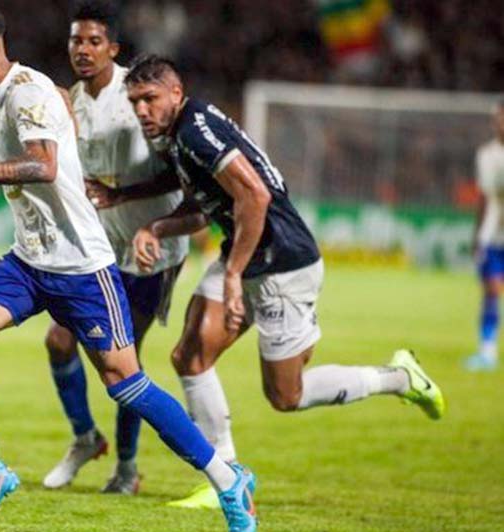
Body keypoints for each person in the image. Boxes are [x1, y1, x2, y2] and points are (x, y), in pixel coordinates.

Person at [0, 3, 256, 532]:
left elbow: (43, 166)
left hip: (82, 269)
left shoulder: (28, 91)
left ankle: (228, 480)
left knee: (126, 384)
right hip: (29, 260)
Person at [123, 54, 447, 505]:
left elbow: (254, 195)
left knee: (286, 395)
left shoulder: (195, 129)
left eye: (149, 98)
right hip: (245, 253)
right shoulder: (179, 135)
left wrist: (233, 275)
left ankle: (399, 378)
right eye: (134, 100)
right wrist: (155, 227)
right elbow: (207, 206)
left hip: (282, 263)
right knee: (190, 356)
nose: (141, 110)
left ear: (175, 94)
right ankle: (228, 477)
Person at [41, 0, 192, 495]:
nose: (82, 51)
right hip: (98, 245)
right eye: (75, 41)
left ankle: (127, 468)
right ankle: (85, 437)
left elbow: (178, 171)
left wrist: (121, 195)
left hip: (153, 249)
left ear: (113, 48)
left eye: (93, 41)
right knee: (59, 340)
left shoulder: (138, 92)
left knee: (125, 364)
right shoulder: (70, 101)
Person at [466, 99, 504, 372]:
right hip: (493, 236)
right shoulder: (487, 155)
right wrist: (476, 235)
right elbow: (483, 197)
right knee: (492, 290)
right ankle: (487, 350)